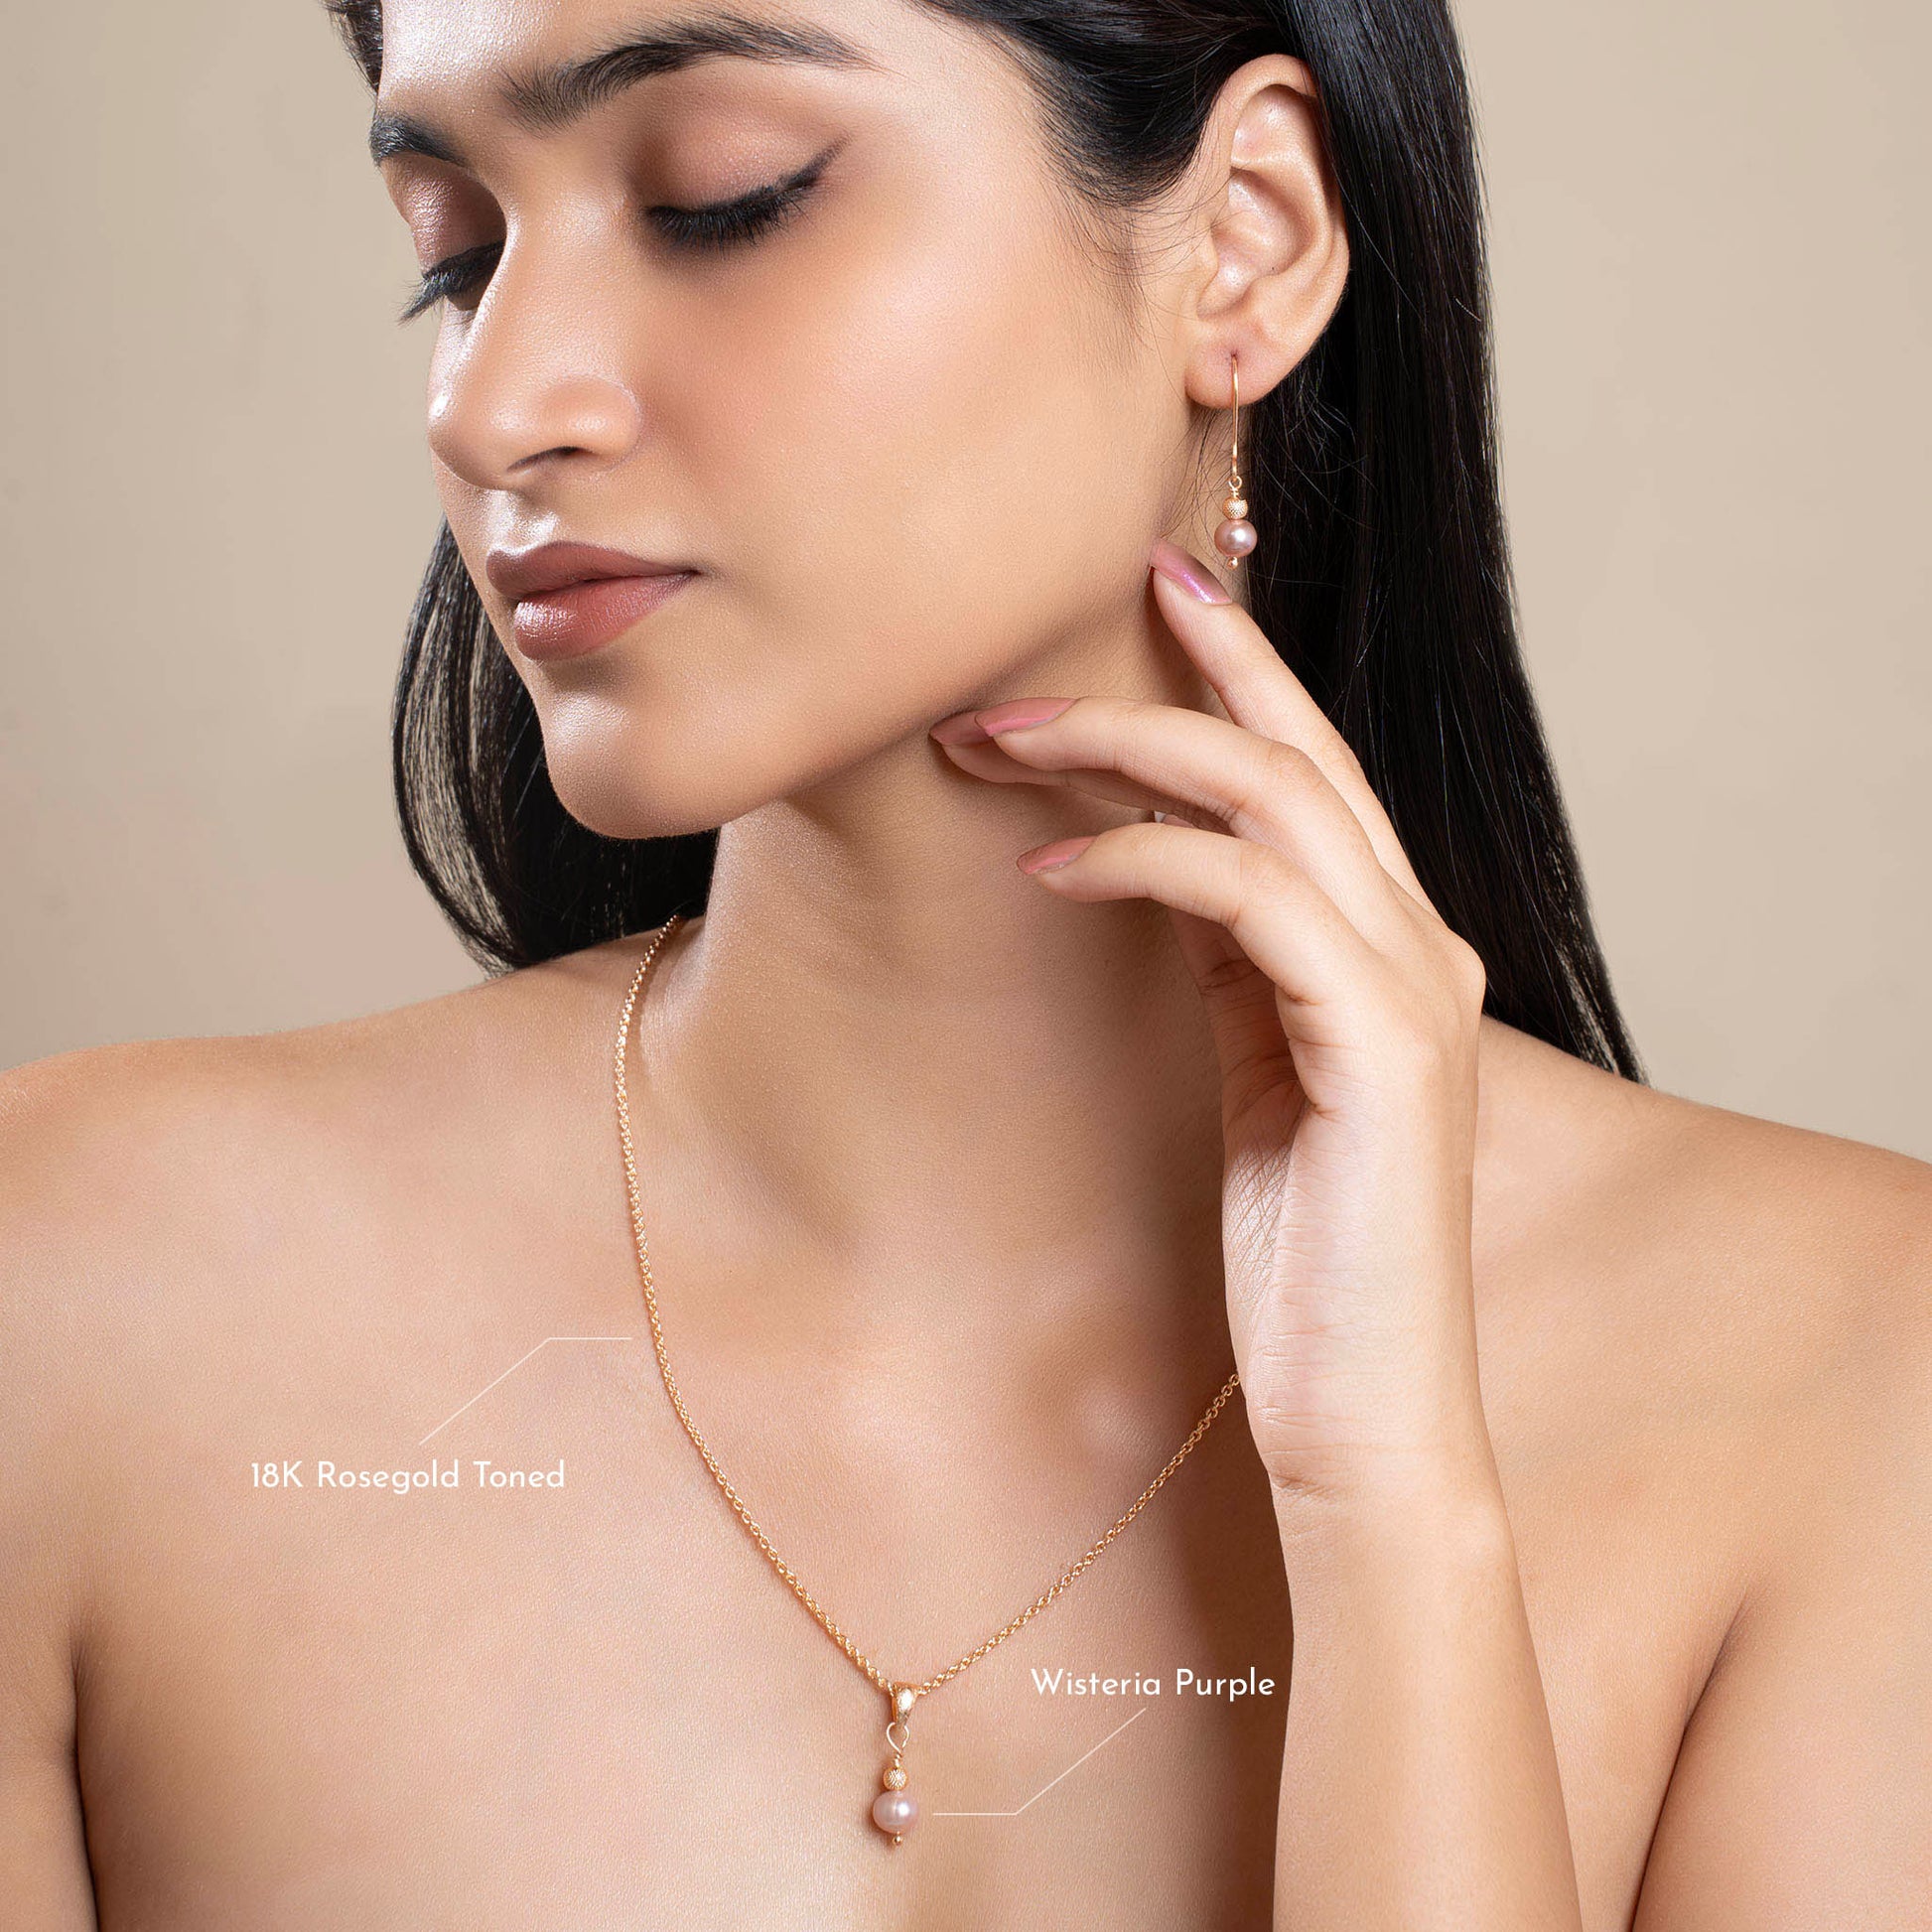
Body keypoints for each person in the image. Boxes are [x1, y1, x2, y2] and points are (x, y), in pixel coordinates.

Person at [2, 0, 1926, 1924]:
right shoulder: (75, 1298)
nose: (491, 406)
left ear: (1242, 238)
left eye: (720, 201)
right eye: (460, 255)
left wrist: (1392, 1513)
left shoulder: (1852, 1385)